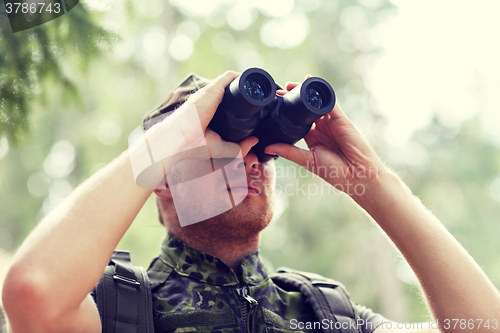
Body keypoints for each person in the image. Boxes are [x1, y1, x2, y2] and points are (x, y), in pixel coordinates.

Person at [2, 71, 500, 333]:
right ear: (161, 180)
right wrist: (166, 139)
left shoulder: (324, 315)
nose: (250, 159)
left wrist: (375, 184)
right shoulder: (119, 311)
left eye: (257, 145)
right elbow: (33, 293)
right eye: (216, 145)